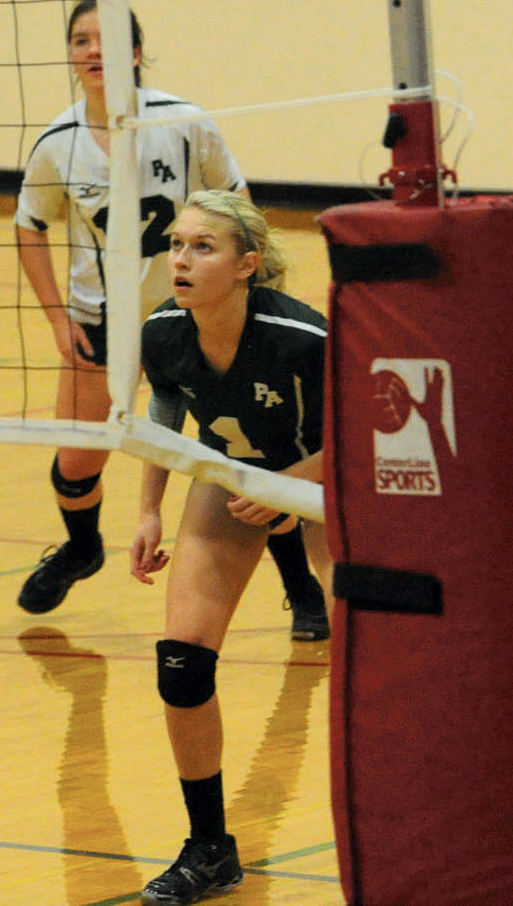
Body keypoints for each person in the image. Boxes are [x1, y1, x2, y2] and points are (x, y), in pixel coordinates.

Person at [13, 0, 327, 639]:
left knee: (252, 448)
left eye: (107, 40)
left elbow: (238, 205)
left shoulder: (183, 122)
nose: (93, 51)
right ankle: (81, 548)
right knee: (77, 461)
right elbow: (28, 226)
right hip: (101, 325)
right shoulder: (57, 143)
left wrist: (247, 291)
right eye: (80, 40)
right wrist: (55, 319)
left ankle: (304, 591)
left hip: (193, 323)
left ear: (135, 52)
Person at [127, 190, 330, 903]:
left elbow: (364, 438)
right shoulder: (161, 332)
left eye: (202, 247)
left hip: (327, 484)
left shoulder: (304, 338)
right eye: (177, 244)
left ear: (247, 265)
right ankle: (209, 848)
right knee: (181, 663)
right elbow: (162, 419)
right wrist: (149, 509)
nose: (181, 258)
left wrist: (288, 487)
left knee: (376, 662)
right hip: (232, 477)